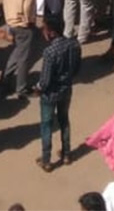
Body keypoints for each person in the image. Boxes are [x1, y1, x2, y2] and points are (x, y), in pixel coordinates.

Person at [35, 12, 81, 172]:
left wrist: (38, 89)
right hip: (66, 90)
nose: (43, 32)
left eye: (44, 29)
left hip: (50, 94)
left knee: (46, 125)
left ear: (51, 32)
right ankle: (67, 153)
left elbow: (45, 80)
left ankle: (46, 159)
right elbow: (76, 68)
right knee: (64, 120)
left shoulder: (49, 52)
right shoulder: (74, 45)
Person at [4, 0, 40, 97]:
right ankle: (22, 87)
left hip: (9, 15)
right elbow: (28, 5)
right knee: (24, 57)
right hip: (21, 21)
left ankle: (6, 77)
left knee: (17, 51)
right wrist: (30, 21)